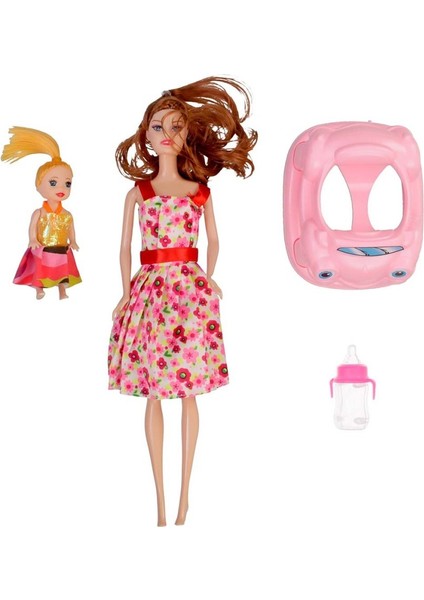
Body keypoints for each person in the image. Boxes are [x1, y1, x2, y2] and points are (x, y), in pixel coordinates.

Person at [108, 76, 257, 526]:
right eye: (158, 127)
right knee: (155, 392)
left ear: (188, 133)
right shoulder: (139, 193)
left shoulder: (200, 193)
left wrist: (209, 277)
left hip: (189, 293)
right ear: (146, 134)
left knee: (189, 392)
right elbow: (124, 247)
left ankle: (184, 498)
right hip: (151, 291)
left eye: (175, 126)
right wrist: (124, 293)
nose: (166, 134)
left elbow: (215, 240)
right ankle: (159, 500)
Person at [2, 127, 81, 299]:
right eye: (53, 183)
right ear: (39, 186)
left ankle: (62, 290)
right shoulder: (39, 212)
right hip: (43, 248)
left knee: (63, 271)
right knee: (40, 270)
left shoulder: (67, 214)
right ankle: (39, 288)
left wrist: (73, 241)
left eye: (67, 184)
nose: (61, 188)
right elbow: (32, 228)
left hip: (61, 248)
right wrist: (32, 239)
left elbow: (70, 229)